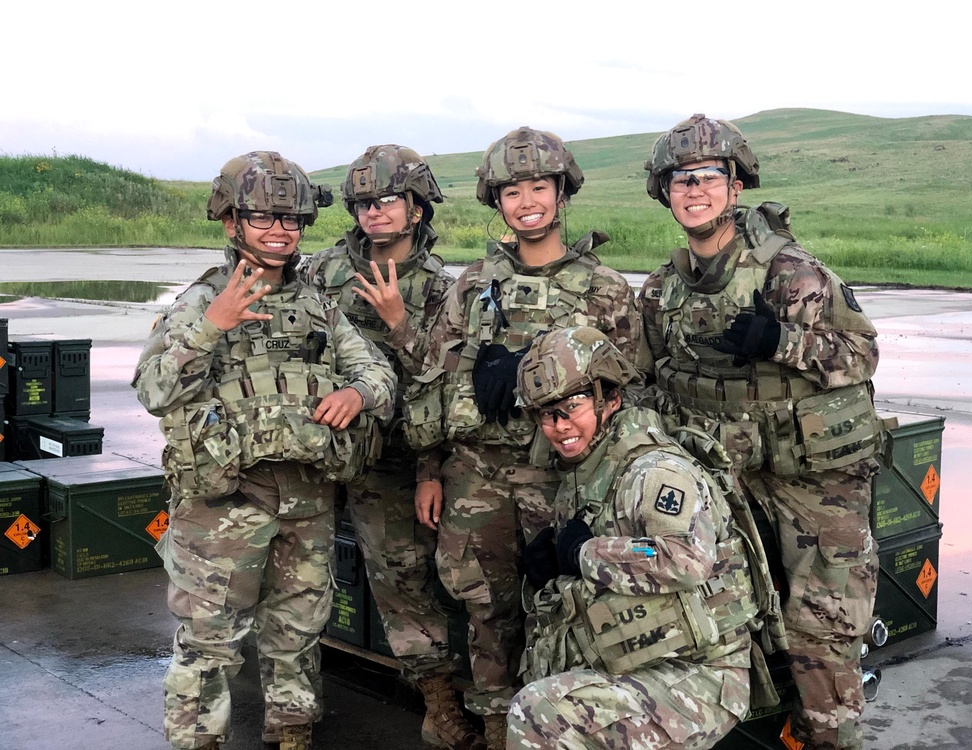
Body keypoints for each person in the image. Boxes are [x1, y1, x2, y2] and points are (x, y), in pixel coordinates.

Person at [132, 150, 397, 750]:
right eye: (263, 218)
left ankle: (292, 732)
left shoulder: (317, 305)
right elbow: (153, 389)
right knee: (208, 642)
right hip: (224, 504)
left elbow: (379, 374)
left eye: (292, 220)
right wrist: (212, 327)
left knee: (298, 632)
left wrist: (356, 393)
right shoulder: (199, 303)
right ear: (231, 223)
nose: (280, 232)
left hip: (306, 497)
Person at [638, 114, 885, 750]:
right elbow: (646, 377)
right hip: (722, 474)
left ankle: (830, 737)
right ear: (665, 192)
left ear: (735, 185)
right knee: (721, 615)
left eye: (708, 177)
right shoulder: (665, 287)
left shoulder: (792, 273)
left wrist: (783, 340)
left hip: (811, 479)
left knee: (822, 626)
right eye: (680, 180)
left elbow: (861, 356)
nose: (694, 190)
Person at [405, 127, 649, 748]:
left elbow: (632, 393)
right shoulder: (471, 287)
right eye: (511, 191)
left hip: (565, 478)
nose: (526, 201)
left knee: (566, 599)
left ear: (561, 193)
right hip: (475, 476)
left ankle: (556, 728)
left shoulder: (605, 291)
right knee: (485, 608)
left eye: (539, 187)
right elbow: (435, 380)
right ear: (497, 202)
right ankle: (494, 726)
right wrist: (430, 471)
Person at [298, 145, 482, 750]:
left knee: (403, 577)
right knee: (293, 571)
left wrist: (401, 323)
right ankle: (288, 699)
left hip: (396, 457)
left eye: (388, 200)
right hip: (319, 449)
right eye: (364, 202)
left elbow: (447, 387)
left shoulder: (442, 289)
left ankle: (438, 702)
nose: (375, 212)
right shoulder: (322, 272)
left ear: (416, 207)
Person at [508, 326, 756, 749]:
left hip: (700, 677)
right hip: (638, 662)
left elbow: (684, 557)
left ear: (611, 399)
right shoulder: (587, 470)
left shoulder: (655, 471)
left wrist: (584, 554)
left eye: (571, 406)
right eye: (545, 414)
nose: (558, 426)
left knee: (539, 714)